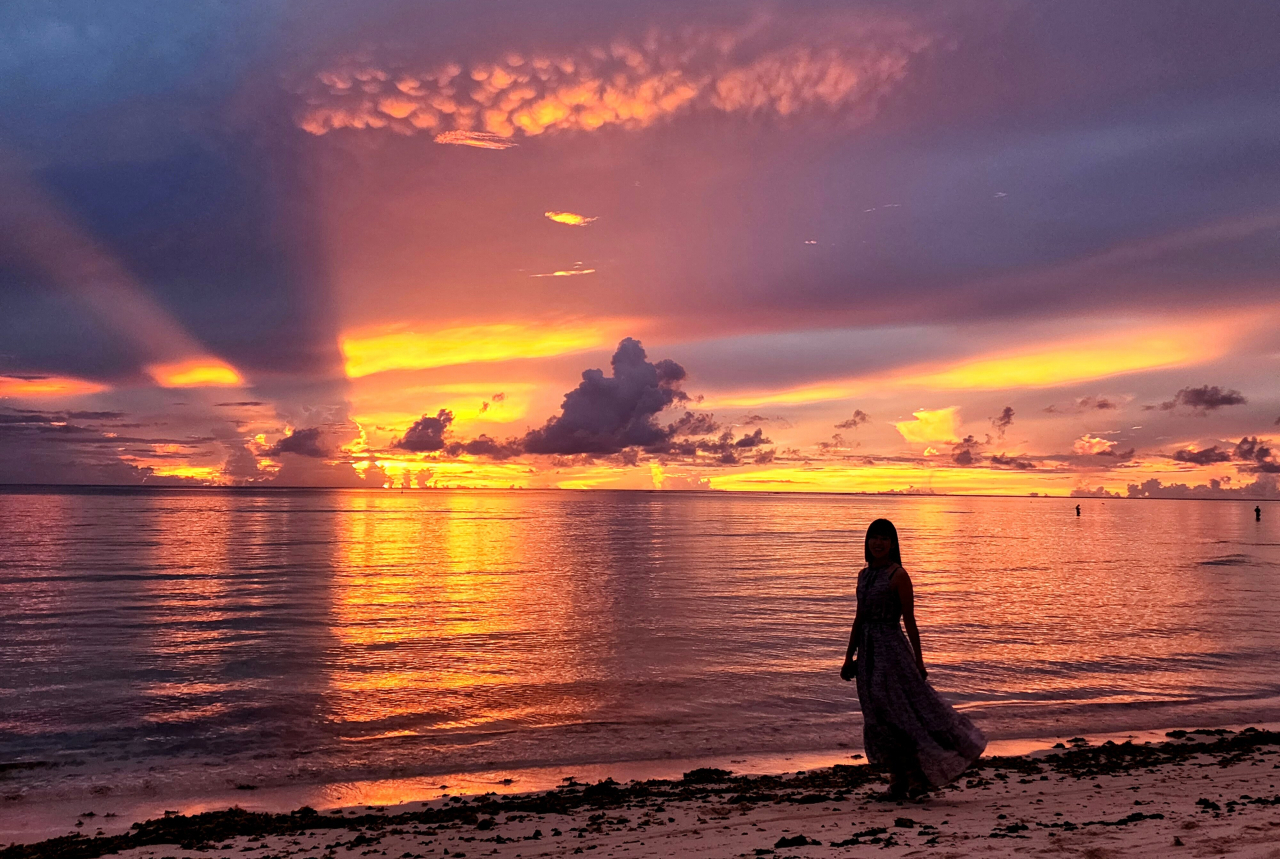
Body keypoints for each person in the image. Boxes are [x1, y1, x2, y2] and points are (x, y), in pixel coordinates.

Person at [841, 518, 986, 799]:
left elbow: (909, 621)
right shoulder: (863, 575)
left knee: (901, 715)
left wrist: (919, 661)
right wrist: (849, 657)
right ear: (867, 542)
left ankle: (916, 781)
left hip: (892, 651)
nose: (878, 543)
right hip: (868, 654)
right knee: (878, 717)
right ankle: (897, 781)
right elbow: (858, 620)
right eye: (874, 537)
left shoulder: (898, 575)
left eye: (884, 538)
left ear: (893, 543)